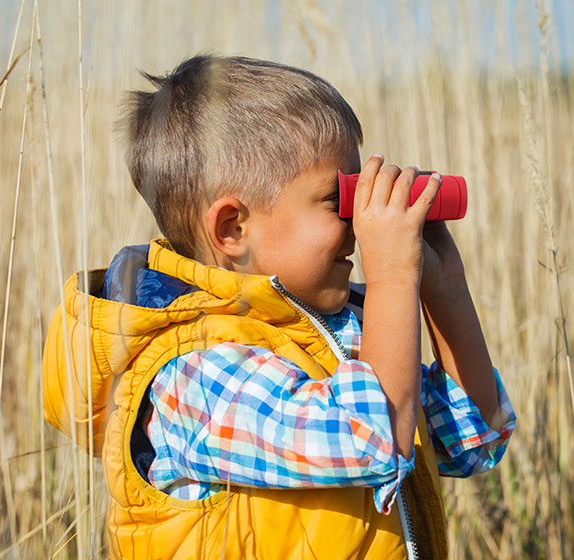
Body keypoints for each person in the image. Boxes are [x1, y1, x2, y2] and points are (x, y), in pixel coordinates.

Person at [42, 55, 516, 559]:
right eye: (341, 201)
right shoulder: (196, 372)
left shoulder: (341, 332)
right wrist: (392, 276)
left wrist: (443, 286)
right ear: (233, 229)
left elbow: (471, 439)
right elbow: (369, 442)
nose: (360, 224)